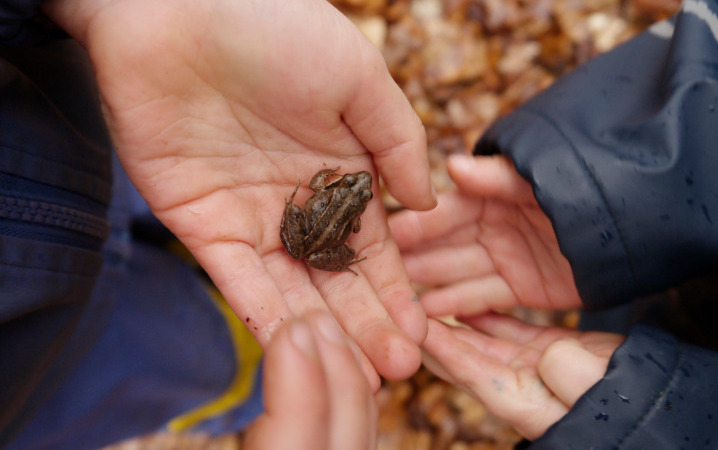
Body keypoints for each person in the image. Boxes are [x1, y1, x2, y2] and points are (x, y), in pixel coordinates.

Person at [1, 0, 432, 447]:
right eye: (361, 190)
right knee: (196, 356)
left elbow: (321, 189)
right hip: (48, 367)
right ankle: (245, 383)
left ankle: (194, 276)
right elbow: (348, 227)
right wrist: (345, 244)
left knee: (185, 224)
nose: (361, 187)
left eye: (358, 190)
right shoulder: (351, 207)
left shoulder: (331, 190)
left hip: (74, 156)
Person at [391, 0, 718, 447]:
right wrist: (605, 194)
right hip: (689, 280)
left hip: (706, 371)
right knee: (630, 319)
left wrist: (664, 426)